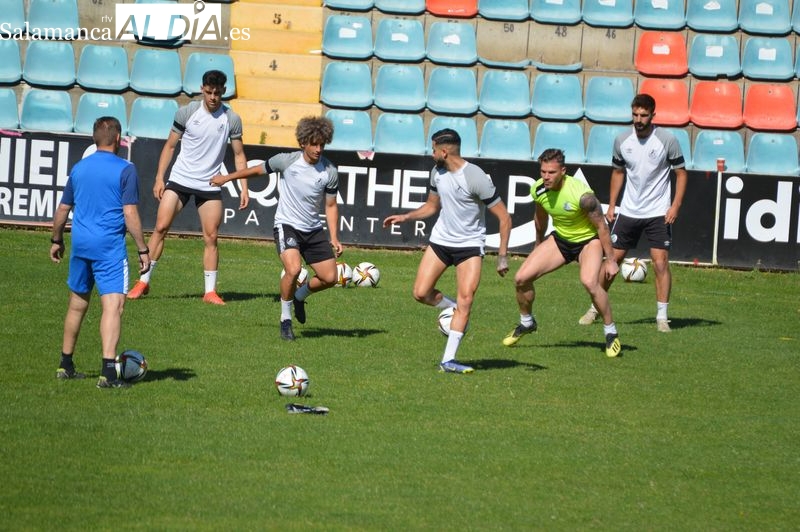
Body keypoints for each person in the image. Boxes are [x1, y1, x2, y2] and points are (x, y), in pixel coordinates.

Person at [383, 129, 512, 374]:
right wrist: (406, 216)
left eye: (433, 149)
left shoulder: (475, 177)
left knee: (467, 299)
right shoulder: (437, 172)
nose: (431, 153)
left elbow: (504, 218)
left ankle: (448, 360)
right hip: (441, 241)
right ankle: (453, 309)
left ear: (444, 151)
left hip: (470, 246)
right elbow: (432, 206)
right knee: (420, 293)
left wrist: (502, 257)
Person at [210, 116, 342, 341]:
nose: (319, 149)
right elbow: (255, 171)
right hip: (287, 225)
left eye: (322, 144)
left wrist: (335, 237)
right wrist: (226, 178)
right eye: (314, 144)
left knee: (330, 278)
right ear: (303, 143)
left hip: (313, 230)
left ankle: (300, 296)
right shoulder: (286, 161)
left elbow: (330, 206)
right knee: (293, 270)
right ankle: (285, 320)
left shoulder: (329, 171)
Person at [127, 69, 249, 305]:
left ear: (223, 91)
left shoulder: (231, 119)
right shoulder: (187, 112)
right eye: (209, 92)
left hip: (209, 183)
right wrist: (160, 177)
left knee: (211, 236)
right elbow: (170, 146)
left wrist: (244, 187)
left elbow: (239, 155)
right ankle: (143, 282)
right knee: (161, 227)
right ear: (202, 89)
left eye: (217, 93)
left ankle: (210, 292)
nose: (213, 97)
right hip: (180, 179)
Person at [50, 116, 151, 389]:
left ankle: (65, 364)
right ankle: (108, 372)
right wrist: (143, 249)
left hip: (81, 245)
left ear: (95, 139)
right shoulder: (126, 169)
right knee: (113, 306)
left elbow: (62, 210)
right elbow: (130, 213)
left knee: (76, 305)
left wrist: (56, 239)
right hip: (108, 249)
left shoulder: (79, 168)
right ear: (118, 139)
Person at [577, 93, 688, 333]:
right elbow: (618, 172)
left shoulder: (667, 140)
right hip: (628, 211)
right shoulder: (622, 140)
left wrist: (675, 205)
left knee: (660, 263)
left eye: (643, 115)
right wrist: (612, 205)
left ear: (652, 116)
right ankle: (595, 308)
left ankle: (661, 317)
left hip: (658, 211)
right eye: (635, 114)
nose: (638, 119)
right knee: (612, 260)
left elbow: (681, 173)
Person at [502, 148, 622, 358]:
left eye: (551, 172)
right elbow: (540, 218)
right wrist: (539, 244)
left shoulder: (583, 196)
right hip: (560, 239)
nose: (546, 177)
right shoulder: (538, 190)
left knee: (590, 283)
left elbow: (602, 227)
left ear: (563, 171)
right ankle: (527, 323)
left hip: (588, 241)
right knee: (521, 278)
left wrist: (611, 260)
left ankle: (610, 332)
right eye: (543, 172)